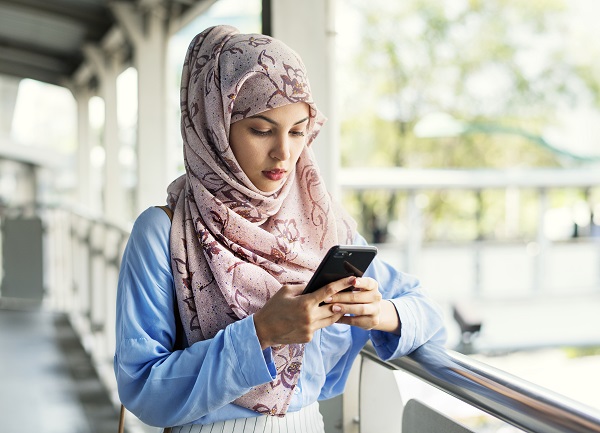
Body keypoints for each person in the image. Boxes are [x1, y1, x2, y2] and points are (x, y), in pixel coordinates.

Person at [114, 24, 446, 432]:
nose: (283, 153)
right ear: (214, 128)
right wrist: (261, 332)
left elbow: (427, 309)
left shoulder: (323, 225)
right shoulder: (163, 232)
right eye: (261, 129)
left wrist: (380, 313)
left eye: (297, 132)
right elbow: (143, 385)